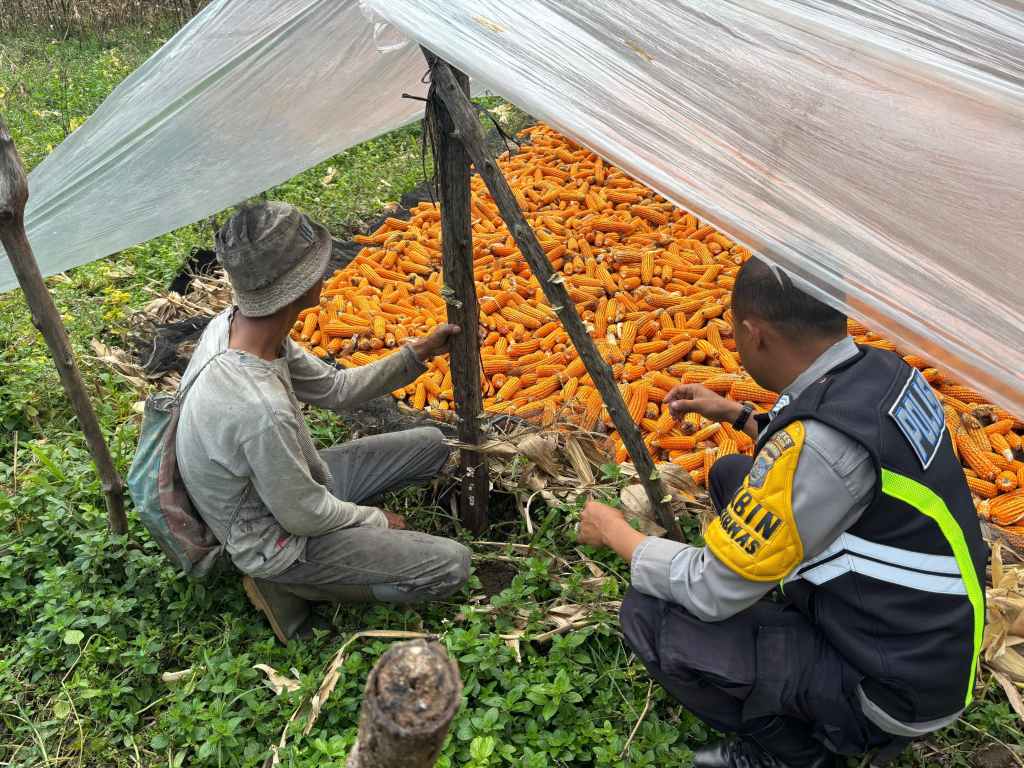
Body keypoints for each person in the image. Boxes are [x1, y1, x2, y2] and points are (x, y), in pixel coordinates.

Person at [578, 257, 987, 767]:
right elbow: (834, 463)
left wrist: (615, 532)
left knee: (649, 614)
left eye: (734, 331)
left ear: (755, 334)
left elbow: (708, 589)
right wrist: (739, 414)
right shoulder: (885, 370)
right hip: (931, 634)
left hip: (893, 685)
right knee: (731, 473)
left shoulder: (823, 447)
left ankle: (794, 754)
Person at [176, 201, 471, 644]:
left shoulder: (241, 328)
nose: (327, 272)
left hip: (284, 487)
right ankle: (287, 586)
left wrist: (417, 354)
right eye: (318, 266)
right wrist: (374, 519)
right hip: (273, 538)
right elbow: (304, 516)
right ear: (297, 285)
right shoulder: (258, 408)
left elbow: (335, 389)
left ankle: (329, 554)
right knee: (450, 565)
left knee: (432, 444)